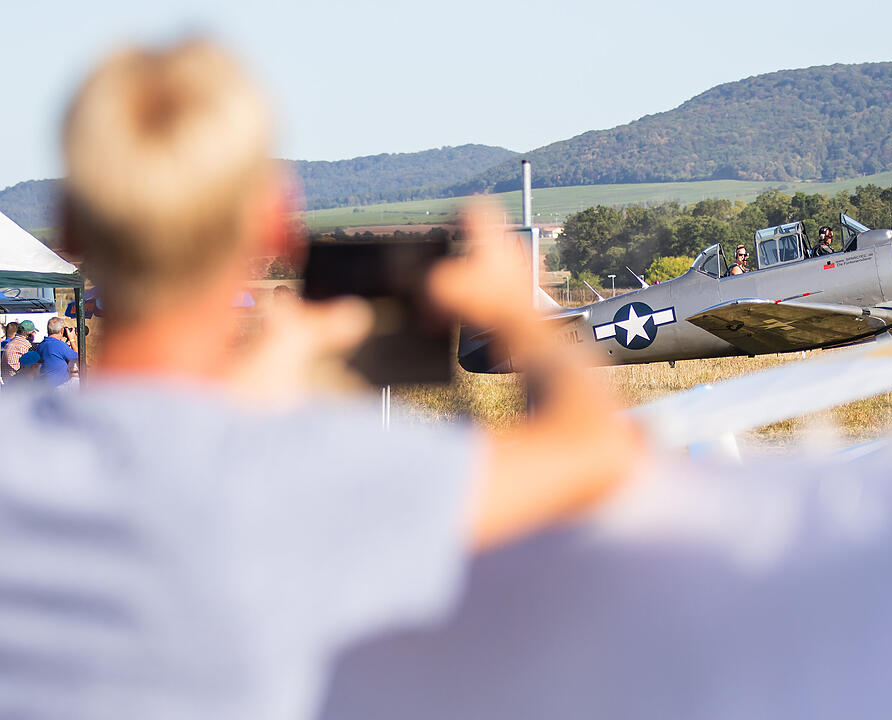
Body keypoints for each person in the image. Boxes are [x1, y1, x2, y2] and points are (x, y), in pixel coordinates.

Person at [0, 39, 643, 719]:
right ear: (274, 222)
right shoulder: (309, 472)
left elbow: (149, 446)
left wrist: (257, 376)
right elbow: (592, 449)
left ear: (69, 224)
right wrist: (521, 315)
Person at [36, 316, 80, 387]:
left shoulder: (41, 345)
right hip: (60, 389)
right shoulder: (60, 345)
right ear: (62, 330)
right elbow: (79, 359)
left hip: (44, 387)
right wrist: (72, 340)